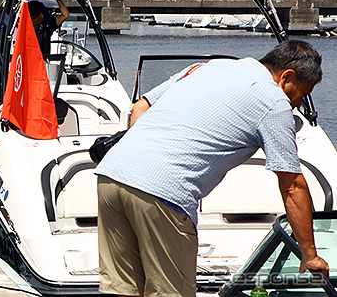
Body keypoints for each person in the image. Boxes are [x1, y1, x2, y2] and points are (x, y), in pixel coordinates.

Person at [94, 40, 328, 297]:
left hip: (112, 175)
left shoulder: (211, 66)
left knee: (121, 290)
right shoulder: (274, 101)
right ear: (287, 77)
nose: (298, 105)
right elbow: (292, 185)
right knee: (170, 292)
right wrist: (310, 255)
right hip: (162, 191)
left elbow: (141, 106)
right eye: (302, 95)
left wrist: (142, 162)